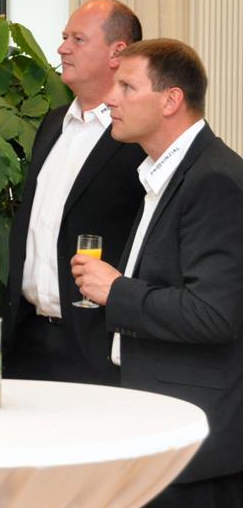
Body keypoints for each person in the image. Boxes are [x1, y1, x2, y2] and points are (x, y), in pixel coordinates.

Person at [72, 38, 243, 506]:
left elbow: (214, 314)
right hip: (161, 424)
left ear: (171, 100)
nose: (110, 99)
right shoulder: (167, 173)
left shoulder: (214, 180)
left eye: (127, 87)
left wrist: (117, 290)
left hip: (196, 444)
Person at [3, 0, 146, 385]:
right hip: (28, 338)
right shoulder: (53, 124)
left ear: (117, 53)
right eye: (64, 37)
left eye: (78, 39)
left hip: (96, 344)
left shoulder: (138, 136)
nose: (62, 48)